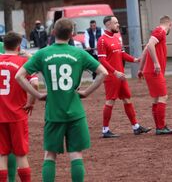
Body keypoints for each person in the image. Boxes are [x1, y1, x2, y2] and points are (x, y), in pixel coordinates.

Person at [16, 18, 108, 182]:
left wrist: (37, 96)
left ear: (53, 32)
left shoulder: (43, 53)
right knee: (76, 154)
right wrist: (86, 92)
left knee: (50, 155)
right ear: (72, 34)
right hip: (75, 111)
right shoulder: (79, 53)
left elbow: (19, 76)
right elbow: (103, 73)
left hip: (53, 112)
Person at [97, 15, 151, 138]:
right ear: (108, 24)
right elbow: (102, 60)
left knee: (127, 99)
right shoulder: (102, 40)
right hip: (112, 76)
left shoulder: (116, 38)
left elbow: (122, 54)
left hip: (120, 76)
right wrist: (114, 72)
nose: (118, 25)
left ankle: (136, 127)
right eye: (115, 23)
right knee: (110, 101)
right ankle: (105, 130)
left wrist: (135, 60)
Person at [0, 31, 38, 182]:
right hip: (17, 114)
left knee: (1, 154)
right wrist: (31, 102)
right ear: (18, 45)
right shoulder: (23, 63)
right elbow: (35, 83)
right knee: (20, 154)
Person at [138, 15, 172, 135]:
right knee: (163, 96)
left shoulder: (156, 32)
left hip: (149, 71)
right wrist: (155, 63)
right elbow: (149, 46)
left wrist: (140, 69)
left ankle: (160, 126)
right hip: (154, 71)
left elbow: (145, 49)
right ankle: (160, 127)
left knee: (156, 98)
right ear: (170, 24)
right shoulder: (160, 32)